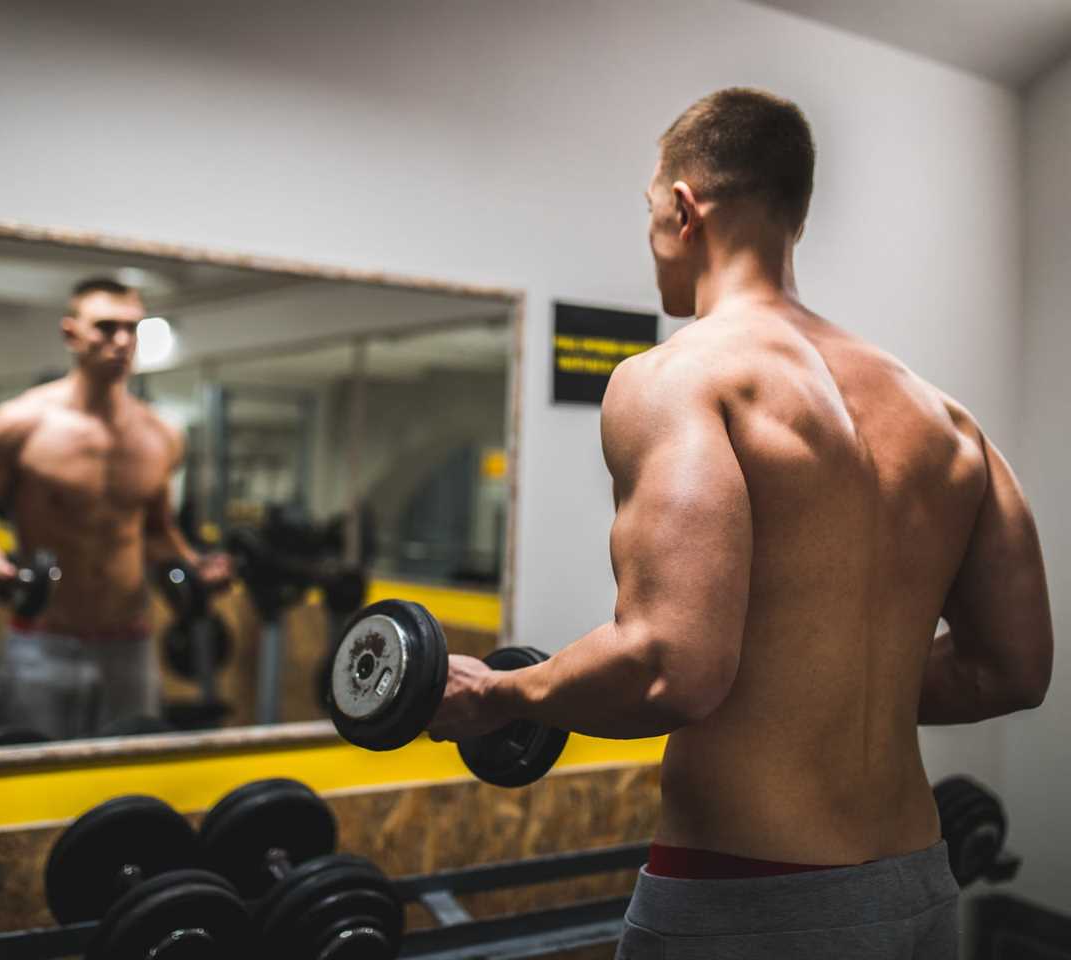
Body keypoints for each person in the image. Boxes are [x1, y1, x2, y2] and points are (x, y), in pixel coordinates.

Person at [427, 88, 1053, 959]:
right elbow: (1012, 670)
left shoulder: (679, 377)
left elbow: (667, 668)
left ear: (685, 209)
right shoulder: (947, 420)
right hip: (919, 886)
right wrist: (819, 675)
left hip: (749, 900)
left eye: (649, 213)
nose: (650, 245)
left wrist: (501, 695)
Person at [0, 277, 231, 739]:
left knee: (124, 790)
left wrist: (196, 569)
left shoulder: (160, 435)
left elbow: (158, 533)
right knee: (29, 785)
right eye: (106, 327)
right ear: (71, 333)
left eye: (132, 329)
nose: (122, 341)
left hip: (130, 643)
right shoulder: (20, 422)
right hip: (42, 638)